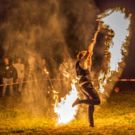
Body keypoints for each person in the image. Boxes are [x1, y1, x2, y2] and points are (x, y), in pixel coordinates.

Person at [72, 23, 101, 127]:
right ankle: (79, 101)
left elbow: (90, 54)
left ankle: (91, 124)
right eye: (85, 55)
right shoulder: (81, 61)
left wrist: (96, 34)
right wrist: (95, 33)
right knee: (97, 101)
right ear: (81, 56)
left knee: (91, 104)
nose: (87, 55)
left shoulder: (83, 64)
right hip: (86, 85)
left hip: (84, 84)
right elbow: (89, 52)